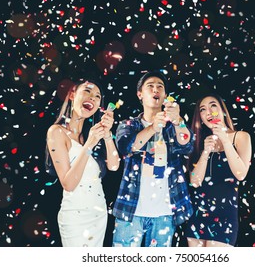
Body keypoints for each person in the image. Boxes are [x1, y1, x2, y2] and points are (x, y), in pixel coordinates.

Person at [112, 70, 194, 247]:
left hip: (165, 213)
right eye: (150, 86)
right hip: (131, 210)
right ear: (140, 94)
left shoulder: (173, 127)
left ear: (165, 96)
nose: (156, 89)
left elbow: (187, 145)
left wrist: (178, 120)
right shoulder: (129, 124)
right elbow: (126, 148)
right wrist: (152, 127)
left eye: (160, 87)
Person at [46, 78, 120, 247]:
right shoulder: (56, 132)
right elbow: (69, 184)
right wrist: (89, 145)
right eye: (87, 91)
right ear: (72, 94)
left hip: (98, 214)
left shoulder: (91, 134)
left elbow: (114, 166)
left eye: (97, 96)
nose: (92, 98)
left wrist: (107, 134)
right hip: (75, 217)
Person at [185, 93, 252, 247]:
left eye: (213, 105)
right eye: (203, 109)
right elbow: (195, 182)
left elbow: (241, 174)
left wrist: (225, 140)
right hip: (198, 216)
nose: (208, 112)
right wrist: (206, 152)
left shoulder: (241, 137)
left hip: (225, 218)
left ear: (222, 110)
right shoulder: (200, 142)